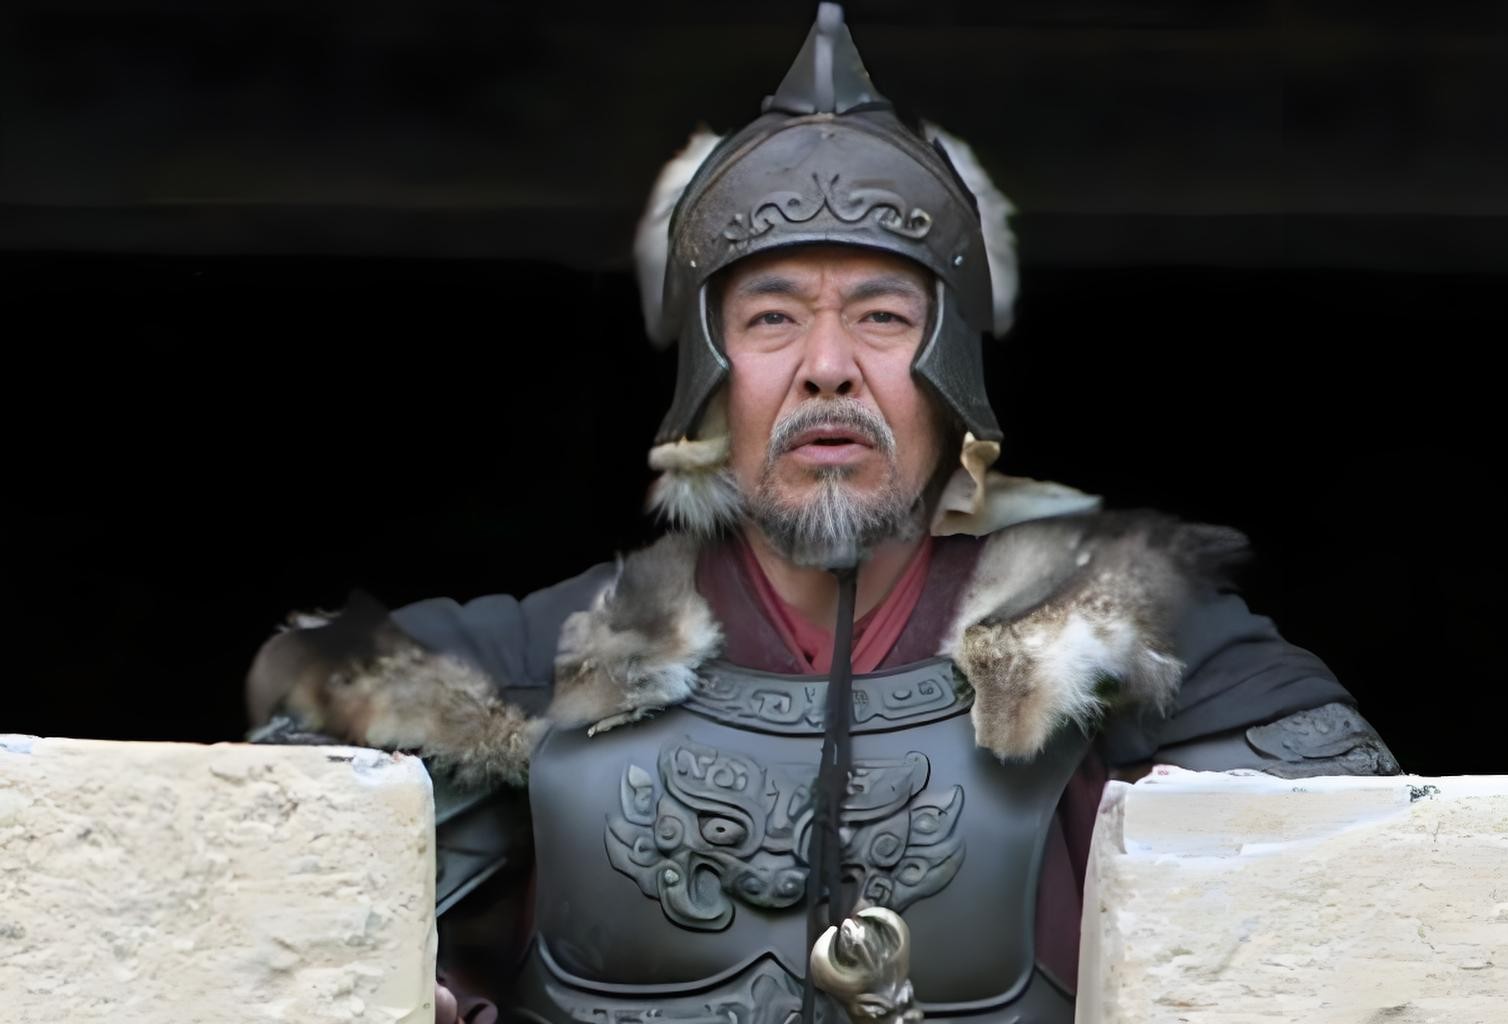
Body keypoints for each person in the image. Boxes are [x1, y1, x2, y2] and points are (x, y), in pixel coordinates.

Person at [246, 6, 1398, 1022]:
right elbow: (254, 872)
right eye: (771, 318)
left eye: (883, 316)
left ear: (949, 380)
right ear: (712, 383)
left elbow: (1380, 906)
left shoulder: (1132, 649)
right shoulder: (534, 662)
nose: (828, 365)